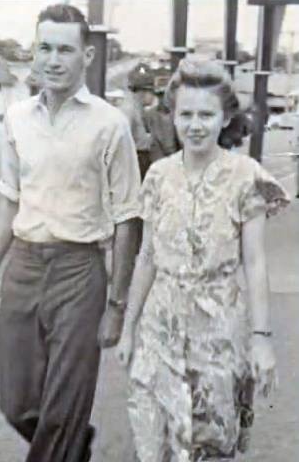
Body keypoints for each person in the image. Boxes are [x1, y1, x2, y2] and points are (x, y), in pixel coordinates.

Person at [0, 4, 140, 462]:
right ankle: (73, 448)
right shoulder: (17, 119)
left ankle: (64, 446)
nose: (52, 59)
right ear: (34, 52)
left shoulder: (110, 124)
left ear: (87, 56)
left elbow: (129, 217)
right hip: (23, 267)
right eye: (44, 47)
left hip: (79, 271)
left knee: (62, 410)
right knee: (16, 402)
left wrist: (117, 307)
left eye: (65, 49)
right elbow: (10, 199)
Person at [116, 60, 290, 462]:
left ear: (225, 117)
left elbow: (256, 262)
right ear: (173, 115)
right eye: (186, 114)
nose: (195, 125)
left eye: (206, 115)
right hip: (159, 332)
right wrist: (128, 331)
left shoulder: (247, 177)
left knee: (211, 440)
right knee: (154, 439)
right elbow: (146, 259)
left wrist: (262, 340)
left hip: (219, 334)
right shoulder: (158, 176)